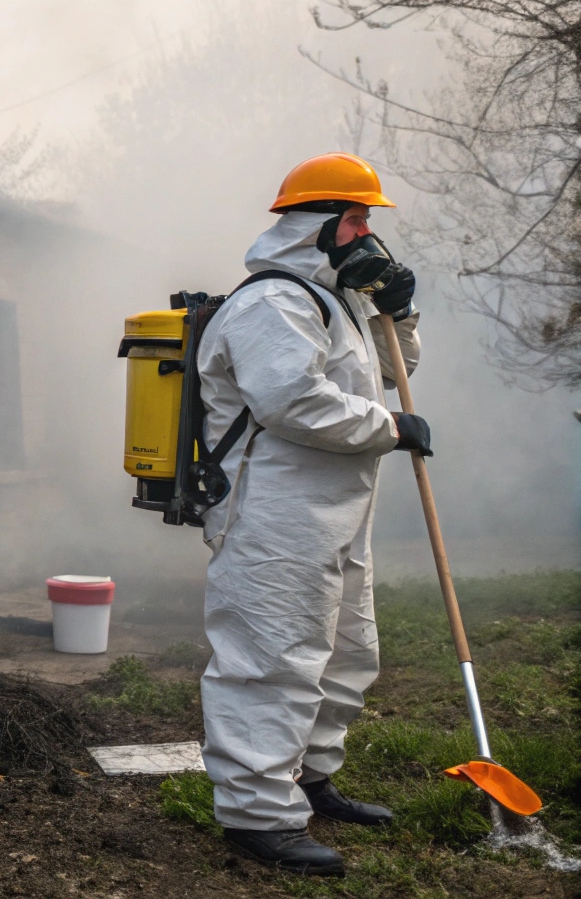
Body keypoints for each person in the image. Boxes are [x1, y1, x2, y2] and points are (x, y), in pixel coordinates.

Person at [195, 153, 429, 876]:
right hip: (273, 517)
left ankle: (310, 776)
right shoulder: (273, 302)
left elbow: (393, 369)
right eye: (356, 219)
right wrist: (390, 430)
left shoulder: (339, 302)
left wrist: (399, 310)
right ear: (317, 223)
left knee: (348, 654)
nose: (366, 234)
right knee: (272, 661)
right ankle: (258, 815)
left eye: (368, 221)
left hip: (335, 509)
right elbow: (290, 403)